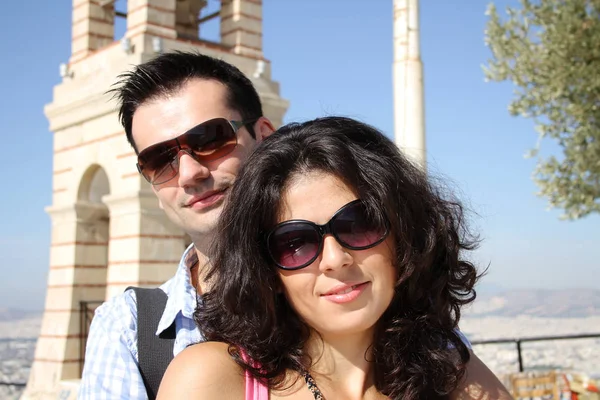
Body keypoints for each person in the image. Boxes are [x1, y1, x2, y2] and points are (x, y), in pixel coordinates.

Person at [157, 117, 514, 400]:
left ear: (405, 236)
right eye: (294, 242)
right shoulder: (213, 380)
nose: (335, 258)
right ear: (265, 269)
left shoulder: (449, 375)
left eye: (359, 223)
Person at [78, 50, 276, 399]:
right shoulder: (127, 329)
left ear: (264, 137)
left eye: (210, 139)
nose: (188, 174)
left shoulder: (340, 284)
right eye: (159, 160)